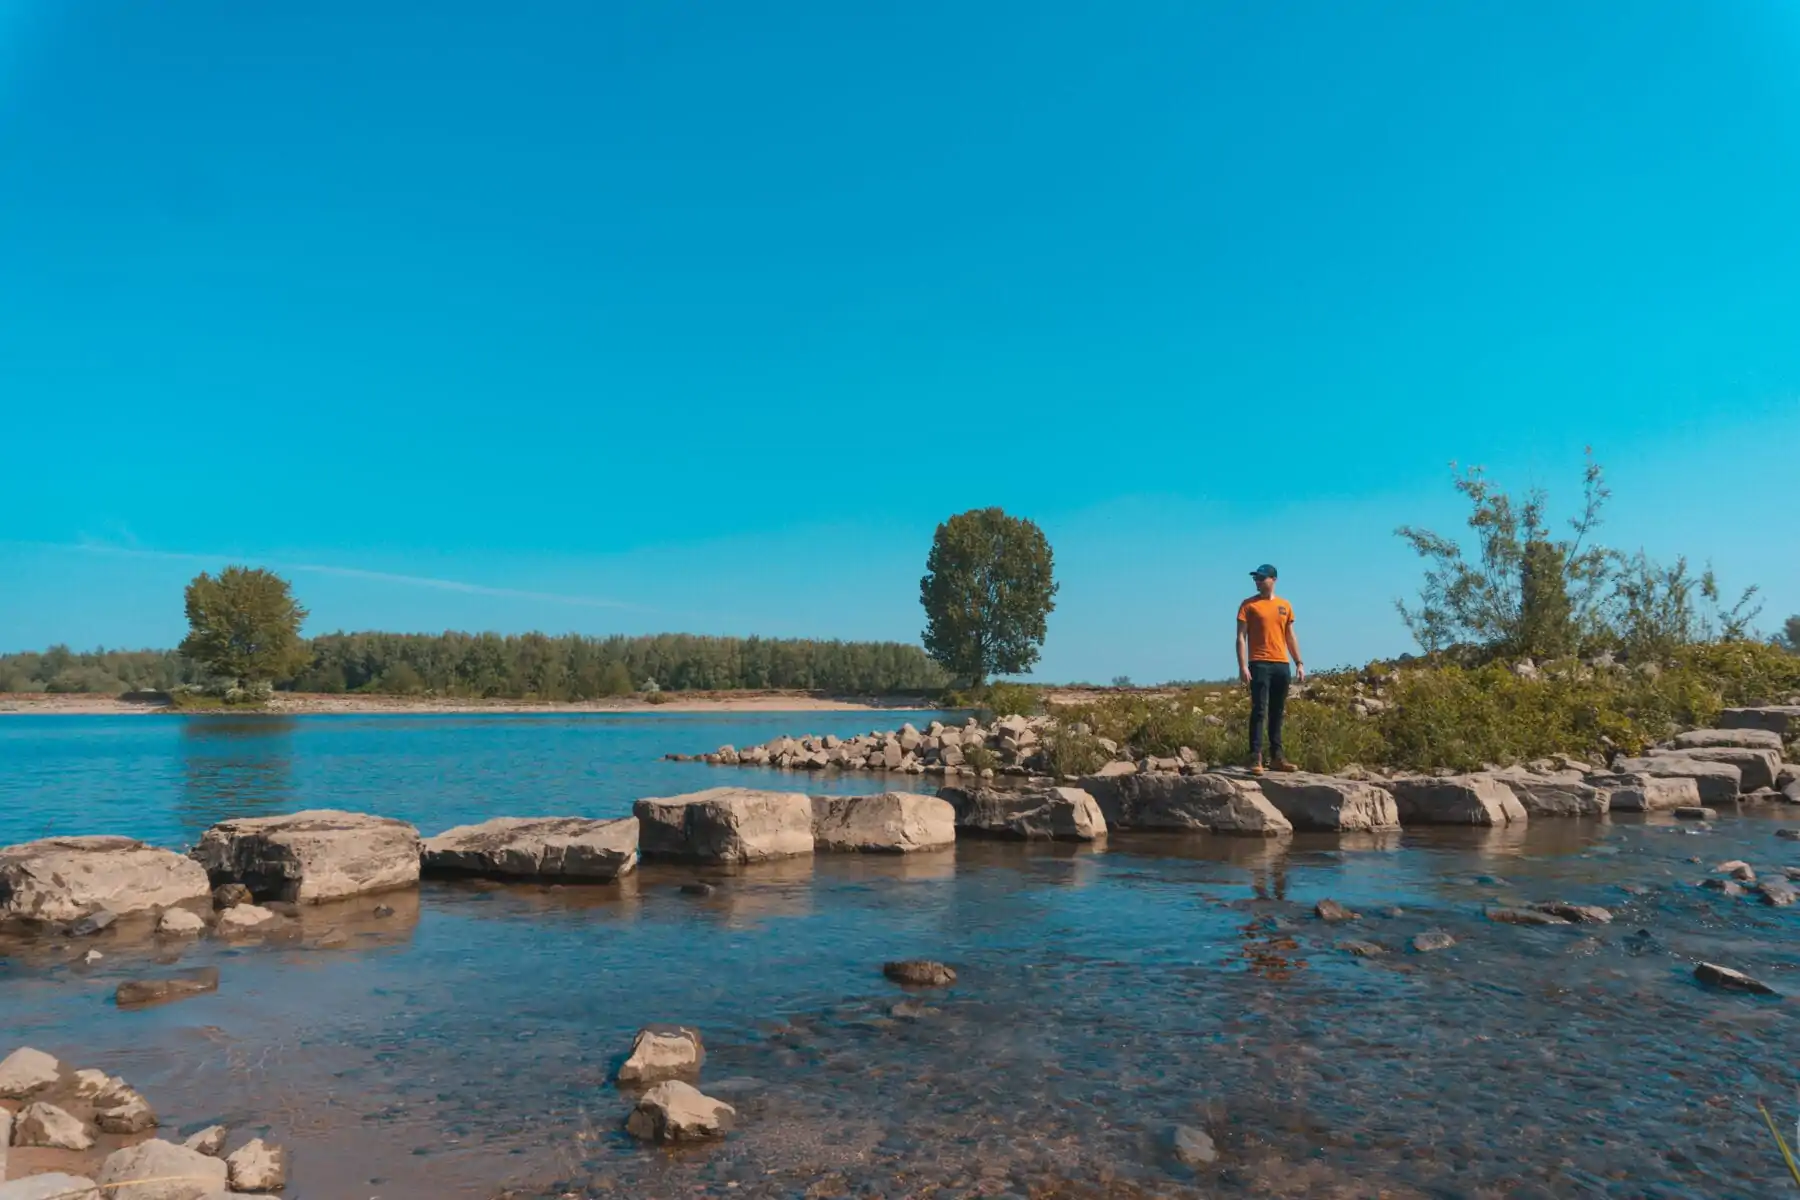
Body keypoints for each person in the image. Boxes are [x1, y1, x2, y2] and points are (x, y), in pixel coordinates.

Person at [1236, 564, 1304, 775]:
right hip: (1259, 663)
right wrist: (1242, 666)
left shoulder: (1285, 605)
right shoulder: (1248, 605)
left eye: (1262, 578)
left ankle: (1277, 757)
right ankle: (1255, 757)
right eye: (1256, 578)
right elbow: (1241, 637)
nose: (1258, 582)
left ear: (1273, 579)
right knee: (1259, 710)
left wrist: (1299, 662)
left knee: (1277, 711)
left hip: (1281, 663)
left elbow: (1290, 635)